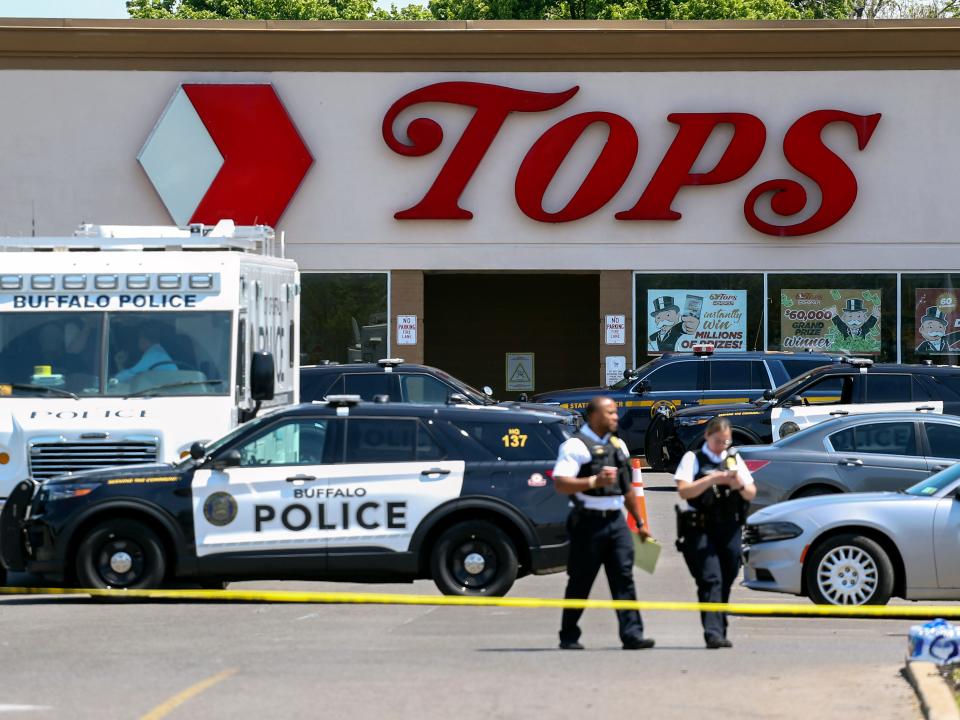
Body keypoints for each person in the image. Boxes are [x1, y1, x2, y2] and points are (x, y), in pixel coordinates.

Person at [552, 396, 655, 651]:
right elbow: (560, 483)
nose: (615, 417)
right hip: (587, 522)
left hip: (616, 522)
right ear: (595, 416)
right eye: (610, 413)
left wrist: (640, 523)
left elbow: (627, 487)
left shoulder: (617, 444)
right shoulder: (575, 446)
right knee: (580, 580)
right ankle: (569, 635)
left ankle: (632, 635)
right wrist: (592, 483)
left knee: (624, 578)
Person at [674, 417, 756, 649]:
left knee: (728, 575)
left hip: (729, 526)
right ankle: (713, 632)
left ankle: (719, 626)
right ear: (707, 436)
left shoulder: (733, 459)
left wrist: (737, 482)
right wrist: (712, 478)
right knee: (711, 578)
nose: (722, 445)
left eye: (726, 441)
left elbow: (750, 493)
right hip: (700, 527)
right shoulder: (694, 458)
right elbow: (684, 491)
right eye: (718, 441)